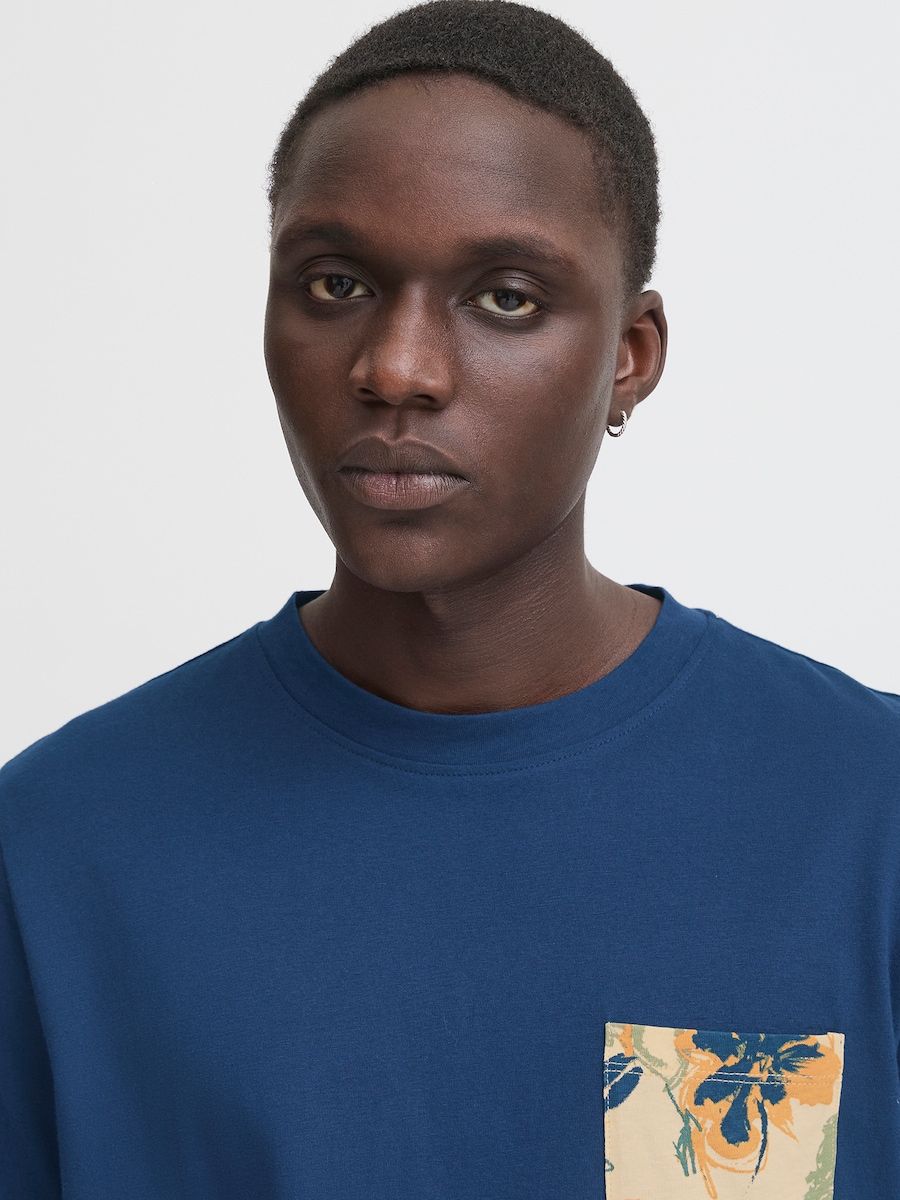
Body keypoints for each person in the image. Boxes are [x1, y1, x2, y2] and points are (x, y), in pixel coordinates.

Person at [1, 1, 897, 1196]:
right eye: (335, 284)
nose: (398, 369)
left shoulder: (868, 814)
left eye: (506, 296)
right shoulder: (59, 849)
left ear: (630, 357)